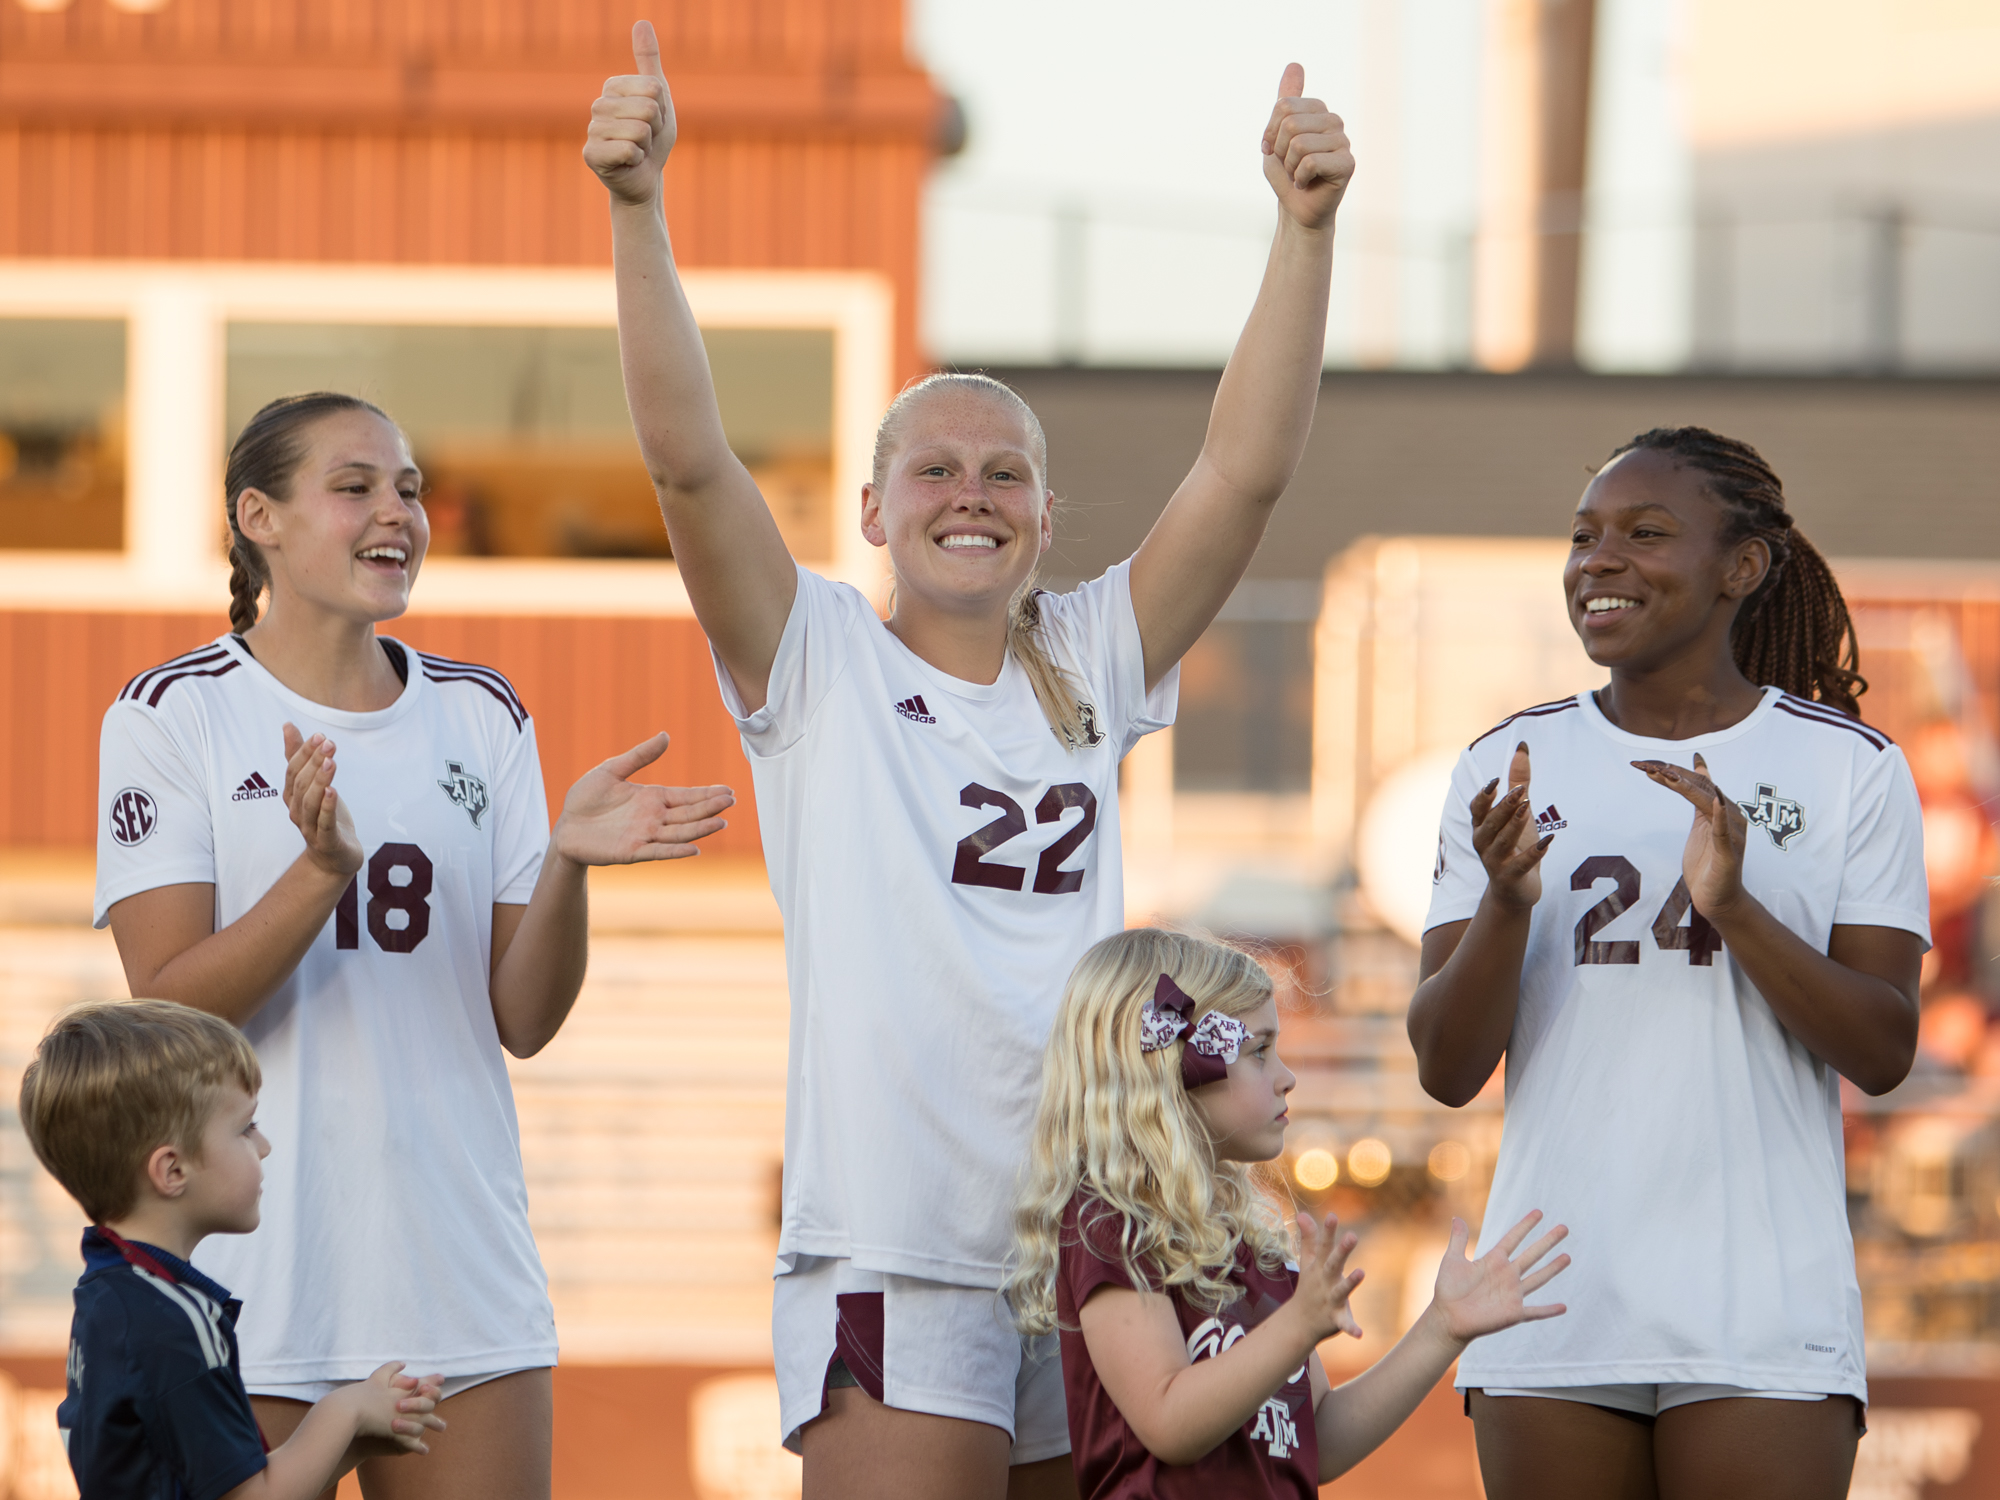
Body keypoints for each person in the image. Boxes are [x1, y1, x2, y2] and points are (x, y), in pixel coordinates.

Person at [585, 20, 1354, 1498]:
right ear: (872, 513)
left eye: (1005, 471)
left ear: (1046, 519)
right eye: (932, 468)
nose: (970, 493)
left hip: (1097, 1237)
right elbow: (690, 463)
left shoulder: (1090, 651)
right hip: (901, 1241)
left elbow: (1243, 472)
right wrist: (639, 214)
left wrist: (1303, 233)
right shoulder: (816, 659)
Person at [95, 391, 736, 1500]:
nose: (396, 511)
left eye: (407, 488)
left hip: (456, 1274)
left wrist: (567, 869)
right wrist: (318, 874)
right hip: (250, 1272)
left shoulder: (480, 713)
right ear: (262, 516)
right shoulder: (170, 713)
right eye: (353, 487)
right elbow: (169, 1019)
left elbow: (523, 1021)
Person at [1408, 428, 1930, 1500]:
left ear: (1740, 569)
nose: (1596, 560)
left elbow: (1881, 1049)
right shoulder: (1507, 761)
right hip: (1547, 1298)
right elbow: (1445, 1068)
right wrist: (1507, 905)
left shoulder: (1847, 769)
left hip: (1758, 1306)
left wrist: (1731, 906)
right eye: (1582, 536)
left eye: (1643, 534)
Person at [1006, 927, 1570, 1496]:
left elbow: (1317, 1439)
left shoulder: (1249, 1239)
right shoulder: (1113, 1224)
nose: (1288, 1077)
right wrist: (1298, 1327)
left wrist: (1441, 1328)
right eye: (1259, 1051)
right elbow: (1169, 1422)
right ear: (1171, 1074)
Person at [20, 999, 447, 1500]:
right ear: (172, 1171)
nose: (264, 1145)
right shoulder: (174, 1323)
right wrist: (343, 1411)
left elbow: (215, 1482)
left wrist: (357, 1440)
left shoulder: (110, 1297)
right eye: (245, 1127)